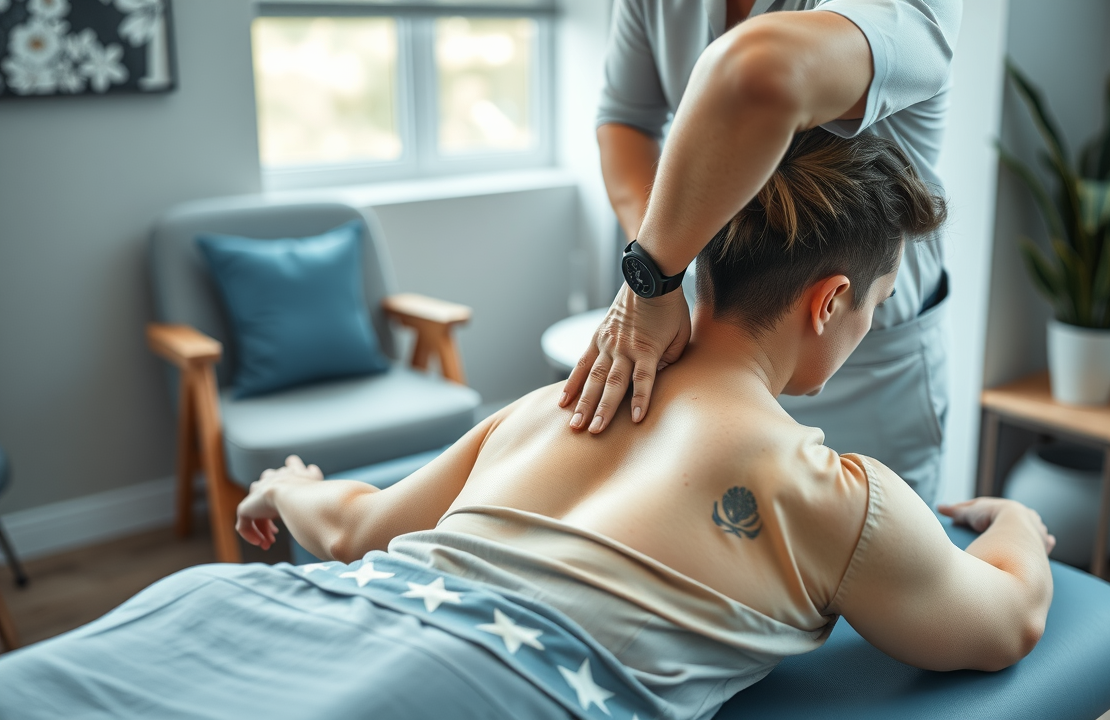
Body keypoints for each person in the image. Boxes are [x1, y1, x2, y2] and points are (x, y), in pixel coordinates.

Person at [0, 131, 1051, 720]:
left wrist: (284, 489)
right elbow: (1000, 622)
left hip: (246, 617)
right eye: (871, 306)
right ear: (829, 301)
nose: (865, 326)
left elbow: (362, 526)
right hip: (459, 691)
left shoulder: (549, 406)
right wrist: (1015, 524)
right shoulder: (831, 494)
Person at [567, 0, 961, 504]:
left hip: (864, 365)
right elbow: (625, 120)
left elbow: (754, 72)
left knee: (870, 562)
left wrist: (652, 276)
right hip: (709, 347)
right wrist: (657, 276)